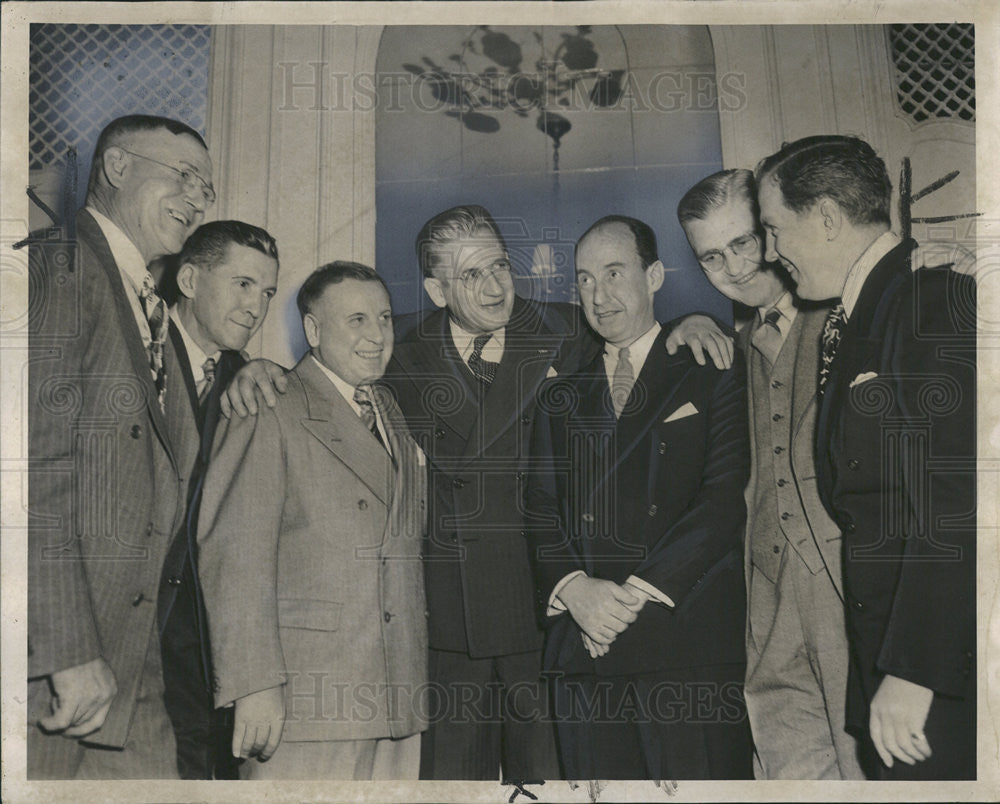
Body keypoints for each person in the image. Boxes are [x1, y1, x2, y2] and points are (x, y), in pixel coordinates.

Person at [756, 135, 976, 780]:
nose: (773, 255)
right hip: (889, 671)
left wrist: (913, 670)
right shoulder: (859, 314)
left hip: (933, 682)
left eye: (774, 231)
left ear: (826, 217)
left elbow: (959, 503)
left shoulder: (931, 300)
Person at [524, 214, 753, 780]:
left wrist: (625, 602)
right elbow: (538, 506)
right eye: (583, 280)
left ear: (654, 275)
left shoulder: (712, 364)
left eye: (614, 272)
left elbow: (722, 498)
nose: (598, 296)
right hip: (583, 650)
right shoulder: (559, 394)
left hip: (684, 648)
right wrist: (576, 591)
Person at [27, 114, 212, 779]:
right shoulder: (60, 264)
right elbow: (24, 471)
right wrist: (68, 649)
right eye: (185, 176)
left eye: (207, 190)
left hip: (130, 672)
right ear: (118, 166)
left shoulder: (146, 302)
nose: (197, 199)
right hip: (55, 673)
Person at [196, 261, 428, 780]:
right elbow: (233, 555)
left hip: (395, 695)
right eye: (357, 321)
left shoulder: (389, 406)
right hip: (306, 704)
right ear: (314, 330)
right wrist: (253, 686)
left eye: (385, 318)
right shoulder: (269, 404)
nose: (377, 336)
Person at [676, 169, 864, 779]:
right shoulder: (732, 341)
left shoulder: (848, 318)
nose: (731, 268)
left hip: (848, 598)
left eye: (744, 242)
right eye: (710, 257)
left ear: (774, 231)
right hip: (768, 607)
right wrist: (688, 323)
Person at [156, 220, 279, 779]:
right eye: (243, 284)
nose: (257, 306)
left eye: (268, 292)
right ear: (188, 278)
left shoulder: (250, 379)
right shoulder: (133, 354)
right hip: (134, 637)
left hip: (208, 653)